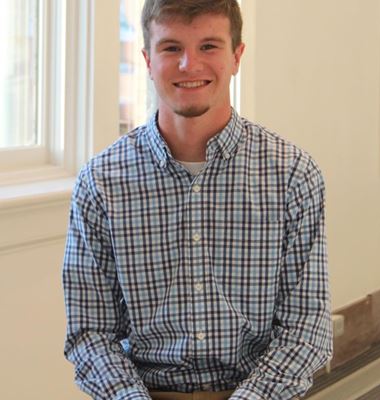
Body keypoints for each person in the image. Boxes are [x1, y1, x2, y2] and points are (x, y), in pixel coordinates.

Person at [62, 1, 333, 399]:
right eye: (171, 47)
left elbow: (306, 329)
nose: (189, 64)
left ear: (237, 56)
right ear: (148, 60)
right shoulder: (101, 183)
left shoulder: (293, 175)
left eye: (208, 46)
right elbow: (90, 333)